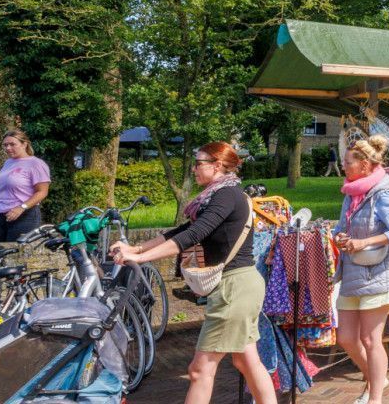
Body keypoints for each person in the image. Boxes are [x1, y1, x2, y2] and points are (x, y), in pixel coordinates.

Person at [111, 143, 279, 404]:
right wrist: (137, 247)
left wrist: (140, 257)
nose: (194, 168)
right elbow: (183, 230)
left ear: (217, 165)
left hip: (234, 289)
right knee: (247, 360)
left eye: (199, 162)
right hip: (239, 286)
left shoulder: (227, 196)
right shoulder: (217, 195)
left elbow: (193, 235)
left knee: (200, 370)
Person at [334, 136, 389, 404]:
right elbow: (340, 229)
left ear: (365, 165)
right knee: (345, 337)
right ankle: (376, 377)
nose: (343, 166)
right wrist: (339, 238)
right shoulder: (352, 193)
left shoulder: (383, 194)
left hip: (379, 274)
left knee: (370, 339)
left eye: (347, 162)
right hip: (354, 273)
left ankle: (375, 397)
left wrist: (364, 242)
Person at [0, 129, 50, 293]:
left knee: (13, 257)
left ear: (24, 144)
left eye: (12, 144)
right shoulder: (8, 163)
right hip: (0, 214)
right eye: (5, 145)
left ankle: (10, 298)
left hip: (24, 215)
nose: (8, 148)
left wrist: (22, 207)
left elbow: (42, 192)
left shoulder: (36, 164)